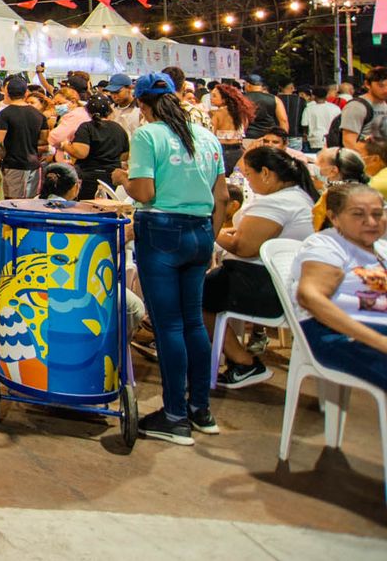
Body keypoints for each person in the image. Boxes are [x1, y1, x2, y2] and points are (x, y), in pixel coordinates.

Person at [125, 72, 230, 446]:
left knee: (168, 326)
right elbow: (223, 197)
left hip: (161, 231)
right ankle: (200, 409)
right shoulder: (207, 137)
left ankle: (174, 416)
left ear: (142, 105)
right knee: (193, 323)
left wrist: (123, 176)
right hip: (200, 231)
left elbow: (144, 192)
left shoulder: (147, 135)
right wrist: (209, 238)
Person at [204, 146, 318, 389]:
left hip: (269, 288)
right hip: (283, 283)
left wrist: (209, 229)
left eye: (248, 175)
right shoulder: (298, 196)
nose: (248, 181)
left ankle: (243, 361)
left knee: (191, 294)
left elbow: (243, 246)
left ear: (265, 173)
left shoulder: (278, 203)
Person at [290, 183, 387, 392]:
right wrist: (380, 342)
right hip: (337, 332)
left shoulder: (380, 248)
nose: (371, 222)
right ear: (334, 218)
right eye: (358, 214)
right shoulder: (326, 246)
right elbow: (310, 297)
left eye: (378, 214)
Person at [67, 93, 128, 200]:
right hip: (112, 178)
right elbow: (124, 155)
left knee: (85, 207)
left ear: (88, 111)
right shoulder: (118, 128)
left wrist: (65, 146)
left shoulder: (86, 127)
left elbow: (81, 153)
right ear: (109, 111)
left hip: (88, 176)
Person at [0, 77, 44, 199]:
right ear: (26, 93)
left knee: (12, 202)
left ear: (7, 93)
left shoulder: (5, 113)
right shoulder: (38, 114)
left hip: (13, 164)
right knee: (30, 203)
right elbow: (44, 140)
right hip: (34, 164)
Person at [335, 66, 387, 152]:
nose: (386, 90)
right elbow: (349, 142)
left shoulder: (384, 105)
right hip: (365, 158)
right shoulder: (356, 106)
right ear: (367, 84)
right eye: (380, 85)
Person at [208, 81, 255, 175]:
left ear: (224, 99)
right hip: (239, 151)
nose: (211, 99)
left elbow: (211, 134)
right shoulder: (242, 113)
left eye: (214, 96)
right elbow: (244, 129)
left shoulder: (217, 114)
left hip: (222, 151)